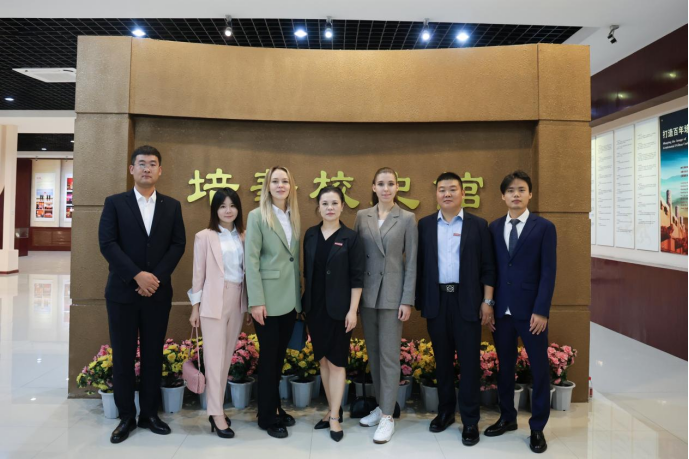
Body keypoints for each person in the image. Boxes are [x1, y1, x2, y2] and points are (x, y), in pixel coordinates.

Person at [98, 145, 186, 444]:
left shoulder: (172, 206)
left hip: (157, 294)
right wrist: (137, 275)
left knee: (153, 355)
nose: (147, 168)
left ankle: (149, 414)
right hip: (122, 293)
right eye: (141, 163)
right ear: (131, 169)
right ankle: (126, 417)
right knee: (123, 356)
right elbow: (107, 243)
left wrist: (154, 279)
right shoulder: (115, 203)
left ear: (160, 170)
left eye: (152, 164)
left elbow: (178, 244)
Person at [415, 172, 496, 447]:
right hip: (437, 301)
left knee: (470, 363)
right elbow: (420, 265)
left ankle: (470, 420)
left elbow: (488, 266)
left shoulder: (478, 225)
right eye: (442, 189)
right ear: (436, 194)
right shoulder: (425, 225)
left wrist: (487, 301)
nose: (447, 194)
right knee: (442, 362)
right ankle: (446, 412)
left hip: (468, 301)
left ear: (463, 193)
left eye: (452, 189)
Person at [485, 170, 556, 454]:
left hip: (531, 313)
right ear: (503, 196)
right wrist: (489, 305)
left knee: (539, 369)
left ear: (530, 194)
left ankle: (537, 427)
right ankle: (507, 417)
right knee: (505, 367)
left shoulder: (544, 227)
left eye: (521, 189)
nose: (516, 194)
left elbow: (548, 272)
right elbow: (491, 269)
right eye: (511, 190)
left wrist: (542, 309)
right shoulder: (493, 227)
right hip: (501, 311)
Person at [354, 167, 417, 445]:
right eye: (381, 183)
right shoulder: (362, 216)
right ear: (373, 187)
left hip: (393, 296)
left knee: (390, 357)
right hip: (367, 295)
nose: (386, 188)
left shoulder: (407, 218)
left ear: (397, 187)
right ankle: (382, 407)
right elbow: (356, 258)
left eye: (391, 183)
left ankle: (389, 416)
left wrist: (407, 299)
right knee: (374, 354)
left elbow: (411, 262)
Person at [302, 186, 365, 443]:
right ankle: (331, 410)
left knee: (337, 362)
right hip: (315, 309)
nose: (329, 207)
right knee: (324, 361)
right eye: (325, 203)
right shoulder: (310, 234)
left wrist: (353, 310)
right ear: (318, 207)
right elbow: (307, 273)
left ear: (342, 206)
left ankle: (336, 417)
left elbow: (357, 278)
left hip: (340, 311)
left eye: (334, 203)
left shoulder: (351, 237)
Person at [245, 166, 302, 439]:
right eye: (275, 181)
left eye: (285, 181)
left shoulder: (294, 215)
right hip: (266, 300)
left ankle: (275, 407)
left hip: (290, 299)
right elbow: (251, 260)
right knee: (269, 360)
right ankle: (266, 417)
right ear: (267, 186)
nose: (280, 185)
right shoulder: (257, 216)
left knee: (278, 359)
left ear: (291, 186)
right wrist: (256, 301)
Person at [188, 188, 250, 439]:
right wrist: (195, 307)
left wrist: (248, 304)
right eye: (222, 206)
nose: (228, 210)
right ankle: (216, 413)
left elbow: (248, 272)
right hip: (213, 301)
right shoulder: (204, 236)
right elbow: (198, 274)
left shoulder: (244, 235)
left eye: (232, 205)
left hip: (237, 299)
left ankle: (218, 408)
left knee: (226, 359)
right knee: (214, 360)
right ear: (215, 210)